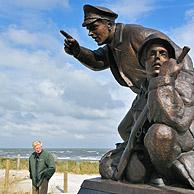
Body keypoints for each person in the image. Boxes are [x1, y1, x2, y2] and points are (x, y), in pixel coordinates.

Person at [61, 4, 193, 143]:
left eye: (94, 27)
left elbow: (182, 56)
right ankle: (143, 160)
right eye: (88, 29)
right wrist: (77, 51)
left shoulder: (136, 34)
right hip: (145, 94)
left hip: (165, 89)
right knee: (125, 129)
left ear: (109, 24)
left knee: (156, 131)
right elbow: (97, 61)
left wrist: (184, 87)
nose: (90, 34)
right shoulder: (111, 47)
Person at [100, 34, 194, 188]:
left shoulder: (185, 83)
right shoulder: (143, 91)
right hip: (151, 151)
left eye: (163, 54)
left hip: (180, 148)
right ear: (144, 63)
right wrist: (135, 146)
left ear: (171, 61)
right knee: (108, 165)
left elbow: (174, 120)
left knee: (160, 133)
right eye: (152, 54)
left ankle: (165, 174)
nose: (157, 57)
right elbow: (124, 129)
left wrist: (165, 78)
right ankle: (150, 168)